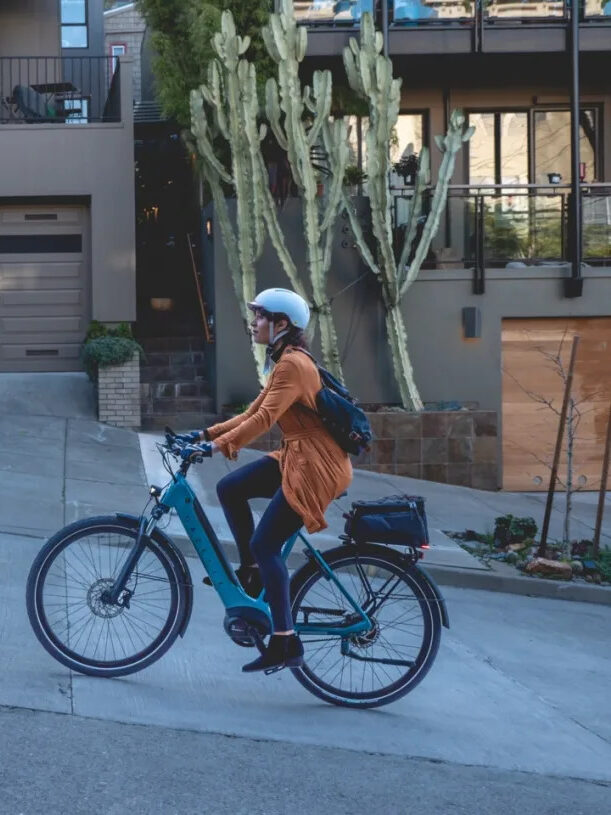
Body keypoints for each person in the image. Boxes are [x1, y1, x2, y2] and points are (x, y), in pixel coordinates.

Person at [183, 288, 352, 674]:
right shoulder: (283, 362)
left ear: (281, 324)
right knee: (231, 488)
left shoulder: (292, 365)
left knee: (266, 542)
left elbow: (263, 422)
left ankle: (284, 641)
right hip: (299, 456)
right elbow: (252, 412)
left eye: (260, 317)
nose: (253, 323)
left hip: (316, 467)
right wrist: (206, 435)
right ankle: (253, 573)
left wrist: (217, 449)